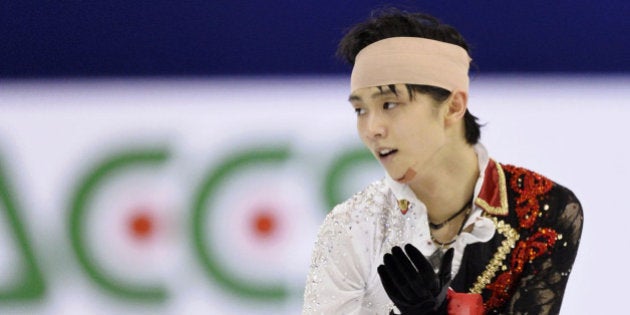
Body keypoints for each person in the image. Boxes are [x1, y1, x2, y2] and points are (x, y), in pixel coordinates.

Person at [302, 8, 583, 315]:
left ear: (453, 106)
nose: (372, 128)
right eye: (360, 110)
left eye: (389, 104)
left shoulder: (542, 208)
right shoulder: (352, 226)